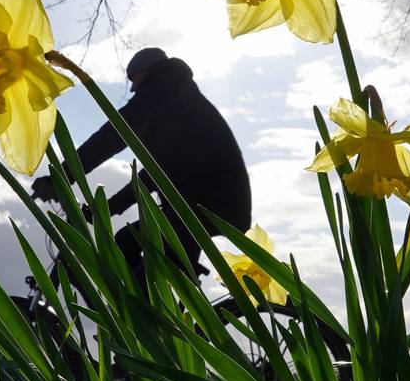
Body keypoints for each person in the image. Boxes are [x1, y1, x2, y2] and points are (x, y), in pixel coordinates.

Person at [31, 47, 251, 286]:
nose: (135, 91)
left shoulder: (161, 90)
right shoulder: (178, 100)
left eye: (134, 82)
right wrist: (107, 207)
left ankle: (149, 318)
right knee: (126, 241)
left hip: (206, 206)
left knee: (144, 281)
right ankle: (154, 309)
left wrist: (59, 179)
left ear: (144, 73)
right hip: (206, 205)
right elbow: (156, 174)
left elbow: (113, 135)